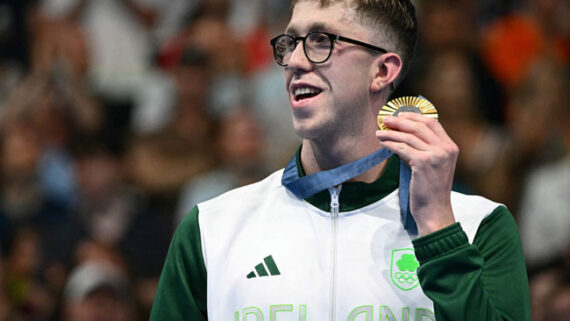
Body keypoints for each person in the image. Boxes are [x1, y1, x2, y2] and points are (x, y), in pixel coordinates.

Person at [150, 0, 530, 320]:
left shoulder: (478, 228)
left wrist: (437, 229)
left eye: (320, 41)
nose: (295, 61)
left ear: (383, 70)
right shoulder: (211, 229)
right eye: (291, 42)